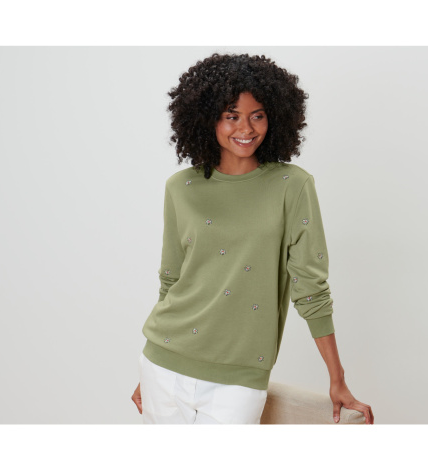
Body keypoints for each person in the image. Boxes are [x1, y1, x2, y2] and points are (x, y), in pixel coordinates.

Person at [131, 52, 374, 425]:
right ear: (207, 118)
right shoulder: (181, 187)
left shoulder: (292, 185)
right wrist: (149, 371)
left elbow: (310, 287)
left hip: (240, 378)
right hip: (162, 365)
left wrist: (337, 379)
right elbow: (171, 279)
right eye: (232, 116)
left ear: (274, 116)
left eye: (257, 115)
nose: (246, 128)